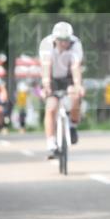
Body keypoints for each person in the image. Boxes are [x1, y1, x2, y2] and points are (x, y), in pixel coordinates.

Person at [39, 22, 84, 158]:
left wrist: (78, 85)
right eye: (61, 40)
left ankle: (73, 125)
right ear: (55, 39)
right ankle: (51, 142)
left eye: (66, 40)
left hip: (68, 76)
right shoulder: (46, 44)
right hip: (52, 76)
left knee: (75, 96)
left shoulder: (75, 44)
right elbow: (46, 66)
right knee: (51, 107)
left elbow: (75, 66)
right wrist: (46, 86)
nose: (64, 43)